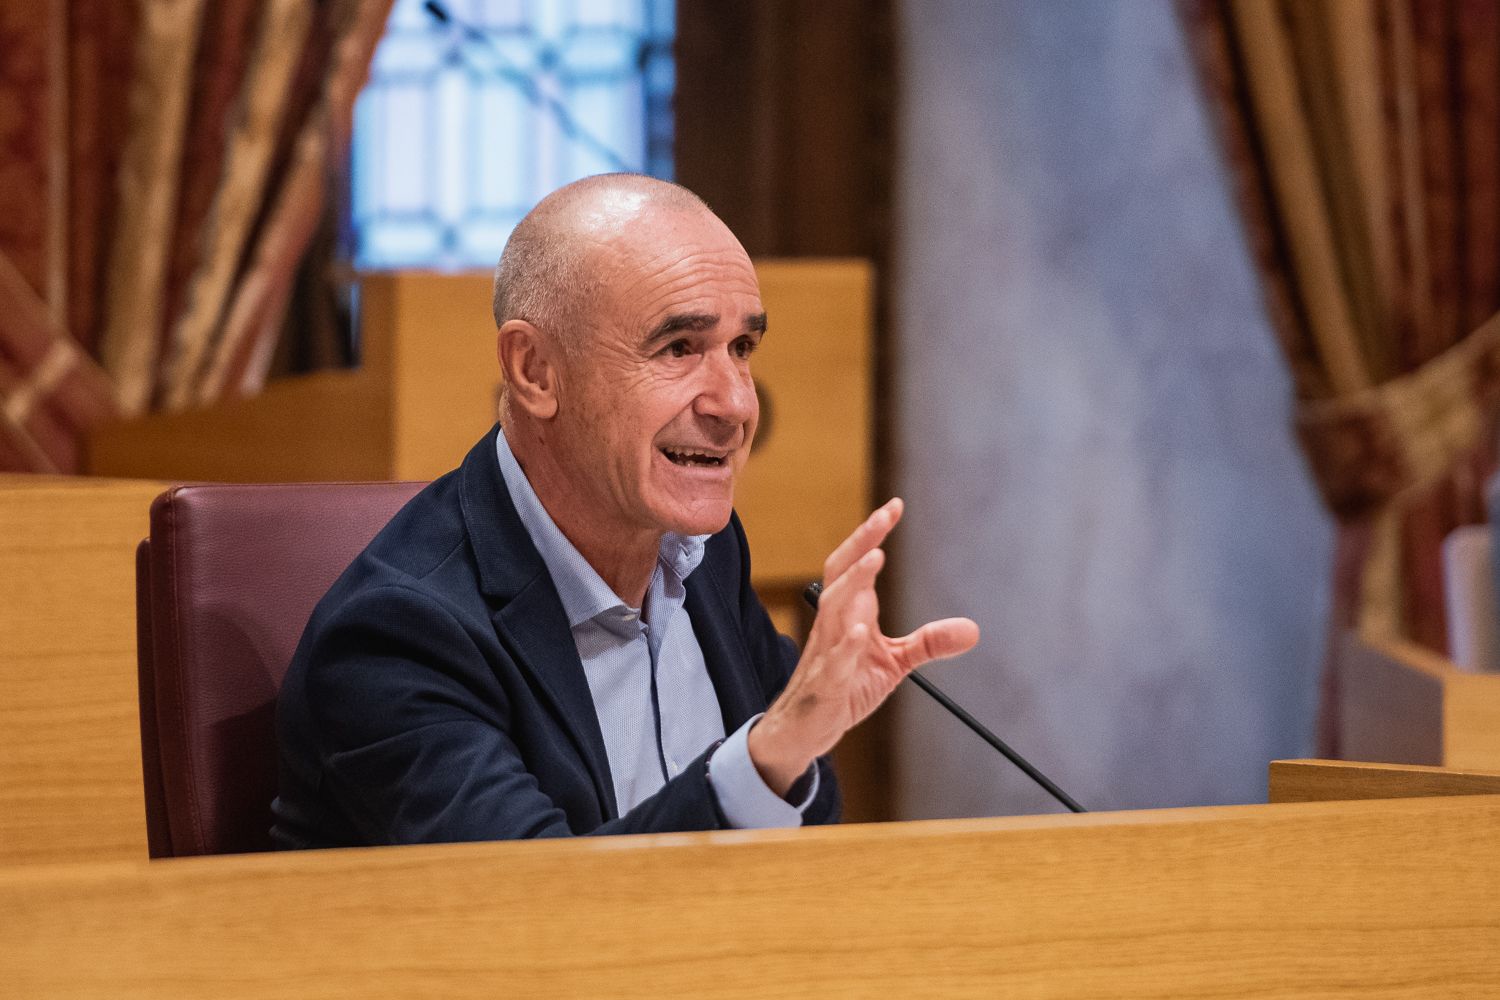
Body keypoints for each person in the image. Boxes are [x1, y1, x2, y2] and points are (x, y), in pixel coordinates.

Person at [272, 174, 979, 847]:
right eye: (679, 347)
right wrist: (770, 753)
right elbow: (537, 922)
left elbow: (801, 816)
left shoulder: (705, 551)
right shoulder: (397, 634)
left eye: (742, 347)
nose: (735, 404)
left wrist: (791, 748)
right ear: (535, 371)